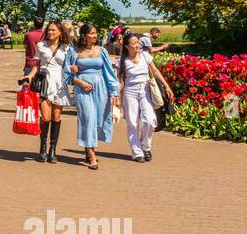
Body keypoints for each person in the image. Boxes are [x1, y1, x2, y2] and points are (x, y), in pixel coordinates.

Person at [62, 24, 119, 170]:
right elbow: (66, 74)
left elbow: (109, 73)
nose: (95, 36)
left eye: (96, 33)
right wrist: (78, 79)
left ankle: (88, 149)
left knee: (99, 119)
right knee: (88, 118)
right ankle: (92, 156)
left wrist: (114, 92)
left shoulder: (102, 51)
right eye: (92, 33)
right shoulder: (74, 52)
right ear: (84, 35)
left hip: (101, 88)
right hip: (82, 89)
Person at [118, 33, 173, 163]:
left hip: (145, 90)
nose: (137, 44)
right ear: (127, 46)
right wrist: (116, 98)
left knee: (149, 120)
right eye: (134, 43)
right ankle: (137, 152)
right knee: (132, 122)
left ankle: (145, 146)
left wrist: (167, 86)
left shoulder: (145, 56)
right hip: (130, 92)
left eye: (138, 42)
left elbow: (155, 71)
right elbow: (120, 81)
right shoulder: (123, 61)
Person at [22, 22, 72, 164]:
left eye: (53, 30)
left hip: (59, 83)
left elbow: (68, 66)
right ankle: (42, 147)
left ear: (60, 32)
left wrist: (74, 70)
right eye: (48, 30)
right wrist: (30, 76)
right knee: (45, 117)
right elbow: (36, 65)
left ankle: (52, 149)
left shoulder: (66, 48)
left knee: (56, 117)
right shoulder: (41, 45)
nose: (50, 32)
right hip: (45, 81)